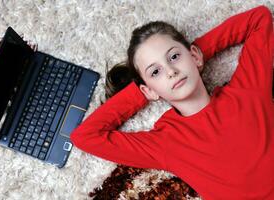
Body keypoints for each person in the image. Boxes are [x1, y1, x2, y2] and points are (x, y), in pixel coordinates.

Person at [70, 5, 274, 200]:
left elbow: (259, 19)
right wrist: (145, 91)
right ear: (148, 90)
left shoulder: (247, 89)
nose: (171, 71)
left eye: (174, 56)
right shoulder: (166, 143)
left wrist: (198, 55)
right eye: (155, 71)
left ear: (194, 55)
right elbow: (85, 136)